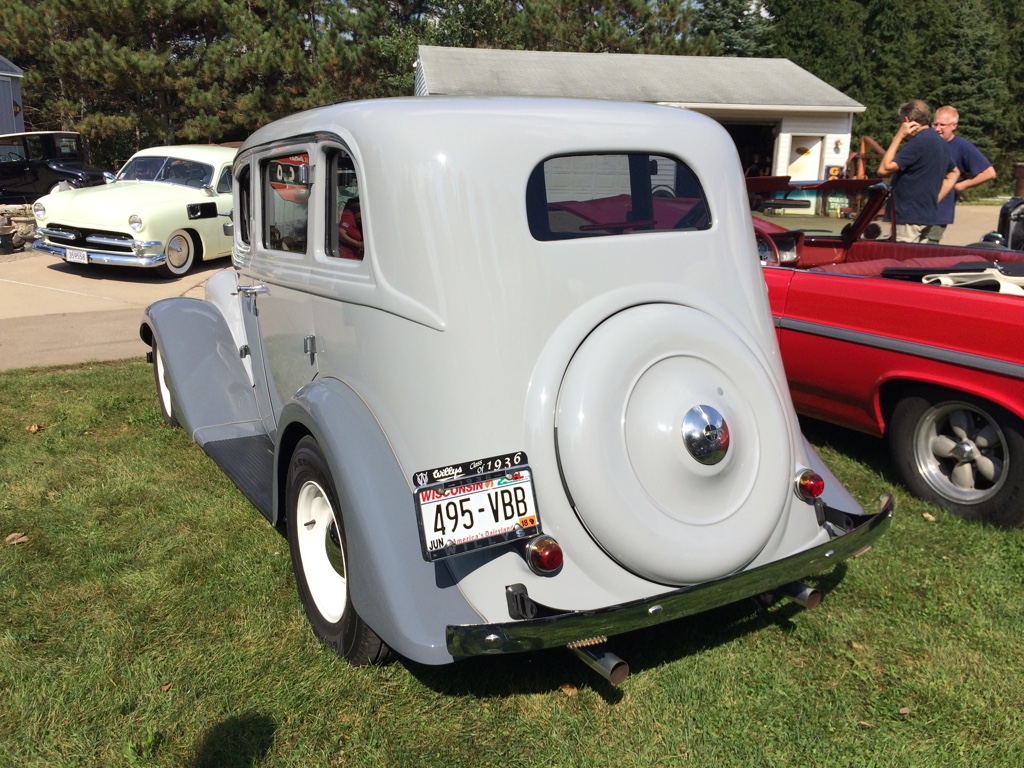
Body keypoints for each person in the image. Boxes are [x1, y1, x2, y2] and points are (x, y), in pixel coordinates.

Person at [877, 100, 958, 243]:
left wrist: (899, 136)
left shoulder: (919, 142)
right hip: (927, 215)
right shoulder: (940, 142)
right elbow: (954, 173)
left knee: (900, 261)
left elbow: (884, 169)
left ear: (907, 120)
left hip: (908, 217)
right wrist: (935, 198)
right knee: (916, 262)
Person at [926, 105, 997, 243]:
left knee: (926, 249)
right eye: (936, 124)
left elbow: (989, 173)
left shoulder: (962, 146)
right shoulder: (928, 142)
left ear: (954, 125)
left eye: (943, 125)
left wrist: (962, 185)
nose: (937, 128)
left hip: (939, 210)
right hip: (918, 206)